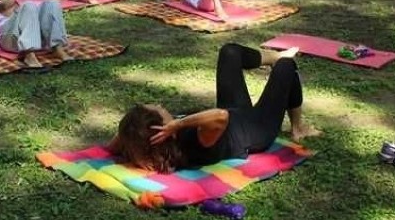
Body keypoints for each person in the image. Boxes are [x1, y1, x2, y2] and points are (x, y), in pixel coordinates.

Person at [107, 43, 321, 172]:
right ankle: (297, 127)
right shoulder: (194, 142)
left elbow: (116, 144)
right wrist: (179, 124)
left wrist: (131, 129)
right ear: (163, 130)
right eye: (157, 109)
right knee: (286, 67)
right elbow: (220, 116)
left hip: (238, 114)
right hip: (257, 127)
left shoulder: (155, 143)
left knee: (229, 52)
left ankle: (276, 56)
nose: (161, 105)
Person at [0, 0, 73, 69]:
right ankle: (29, 55)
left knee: (51, 2)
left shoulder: (25, 13)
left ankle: (57, 48)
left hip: (35, 38)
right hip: (8, 39)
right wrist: (0, 6)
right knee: (29, 5)